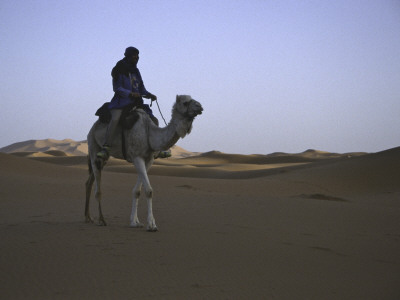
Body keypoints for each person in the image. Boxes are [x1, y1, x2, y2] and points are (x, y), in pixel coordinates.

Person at [97, 46, 170, 160]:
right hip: (121, 101)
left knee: (154, 120)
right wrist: (130, 93)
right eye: (134, 55)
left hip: (136, 102)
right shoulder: (118, 70)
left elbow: (141, 88)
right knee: (115, 119)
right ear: (128, 56)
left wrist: (149, 94)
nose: (136, 58)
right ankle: (106, 147)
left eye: (137, 55)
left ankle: (157, 149)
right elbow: (117, 88)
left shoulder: (136, 71)